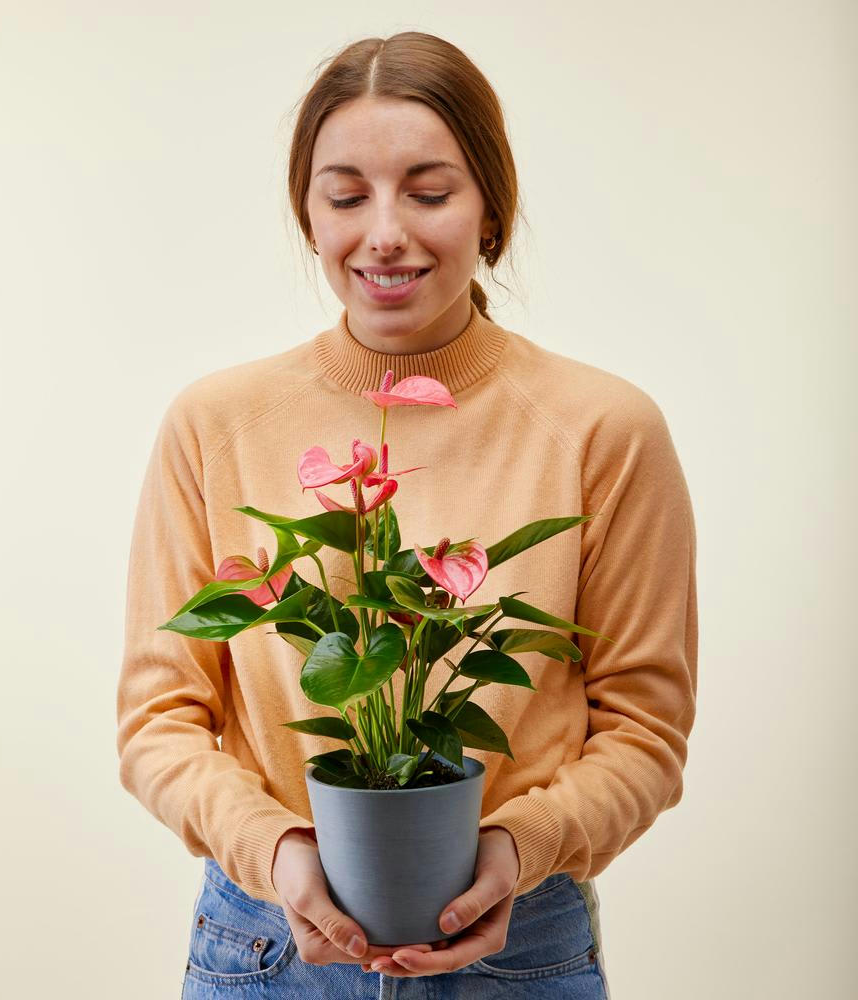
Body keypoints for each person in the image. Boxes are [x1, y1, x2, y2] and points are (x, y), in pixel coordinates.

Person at [116, 31, 696, 998]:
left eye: (429, 193)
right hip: (266, 943)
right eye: (347, 197)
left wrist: (522, 844)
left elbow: (646, 731)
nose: (384, 233)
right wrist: (274, 848)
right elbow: (157, 720)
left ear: (491, 211)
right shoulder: (214, 425)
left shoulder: (604, 430)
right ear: (309, 217)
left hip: (518, 943)